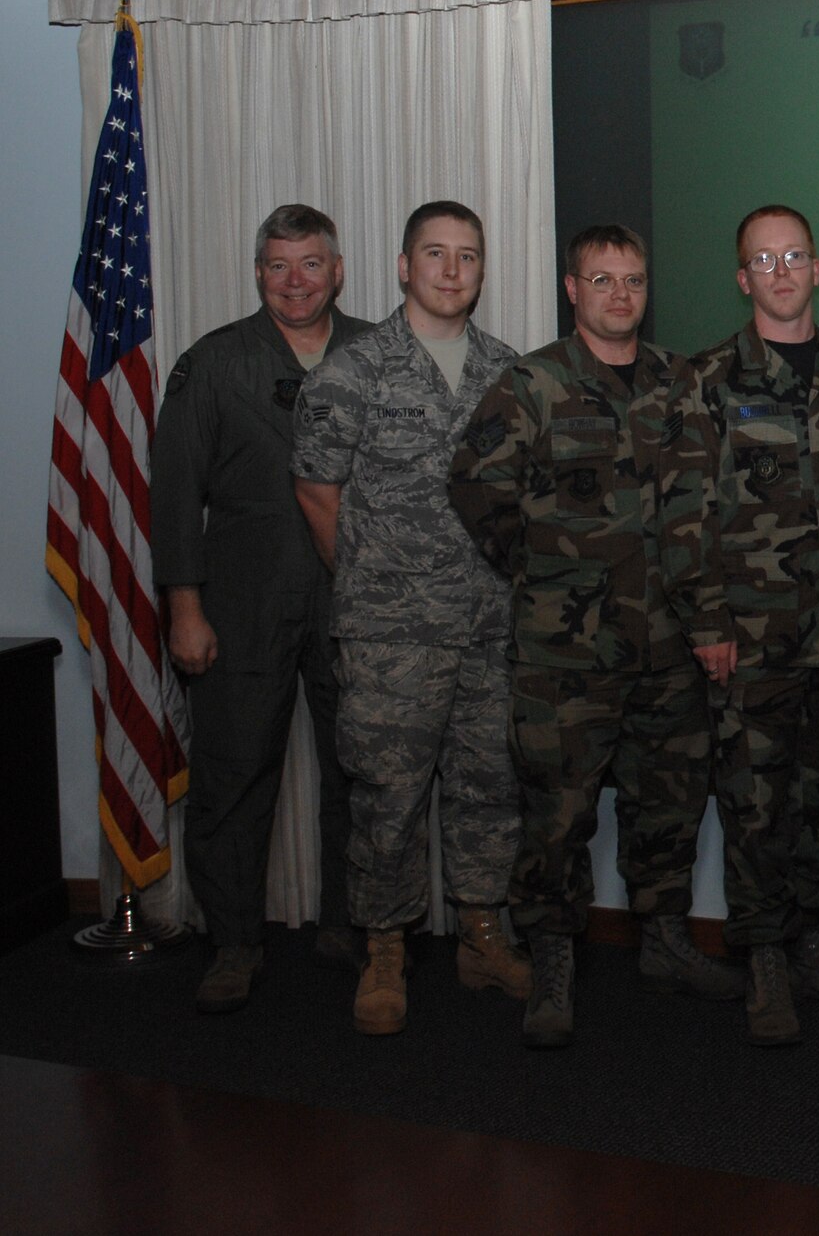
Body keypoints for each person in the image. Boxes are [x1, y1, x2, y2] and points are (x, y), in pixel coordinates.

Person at [449, 224, 740, 1048]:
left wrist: (709, 622)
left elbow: (701, 510)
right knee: (558, 813)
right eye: (603, 279)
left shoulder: (678, 381)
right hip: (566, 652)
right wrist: (542, 571)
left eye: (634, 280)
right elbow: (473, 482)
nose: (620, 294)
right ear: (572, 289)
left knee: (671, 803)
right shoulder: (533, 383)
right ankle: (551, 960)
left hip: (669, 647)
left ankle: (664, 940)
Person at [292, 200, 531, 1036]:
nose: (452, 269)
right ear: (403, 265)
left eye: (468, 255)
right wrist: (371, 581)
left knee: (488, 787)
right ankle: (385, 949)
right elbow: (318, 492)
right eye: (436, 253)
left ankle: (480, 931)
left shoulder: (509, 372)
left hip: (488, 628)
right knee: (388, 797)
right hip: (391, 632)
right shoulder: (352, 371)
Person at [154, 204, 371, 1013]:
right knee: (235, 774)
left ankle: (350, 928)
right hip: (241, 599)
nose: (294, 282)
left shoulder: (376, 355)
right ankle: (236, 941)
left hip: (354, 598)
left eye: (310, 264)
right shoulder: (213, 363)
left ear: (338, 270)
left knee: (361, 769)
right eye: (277, 266)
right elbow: (175, 493)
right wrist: (184, 608)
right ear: (257, 274)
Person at [692, 204, 819, 1046]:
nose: (779, 270)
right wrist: (706, 621)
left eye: (793, 255)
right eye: (762, 259)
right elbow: (684, 514)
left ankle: (810, 937)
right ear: (743, 278)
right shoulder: (708, 379)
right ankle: (763, 957)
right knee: (755, 798)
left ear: (817, 268)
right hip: (751, 633)